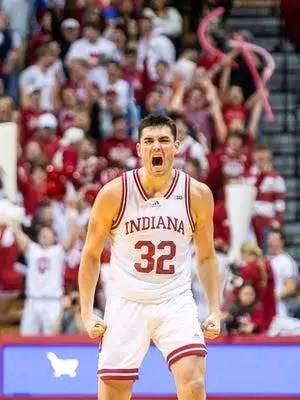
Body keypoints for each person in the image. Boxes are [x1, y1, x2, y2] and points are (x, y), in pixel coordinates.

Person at [78, 114, 221, 400]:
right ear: (138, 148)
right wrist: (86, 313)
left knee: (193, 380)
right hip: (126, 301)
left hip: (174, 299)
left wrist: (216, 310)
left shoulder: (197, 194)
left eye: (164, 141)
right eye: (150, 141)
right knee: (113, 393)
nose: (157, 147)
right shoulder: (114, 193)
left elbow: (206, 257)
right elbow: (91, 255)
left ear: (177, 146)